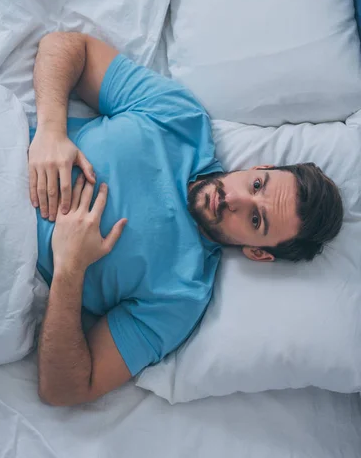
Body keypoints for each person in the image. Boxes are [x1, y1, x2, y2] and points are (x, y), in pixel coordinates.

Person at [29, 32, 343, 407]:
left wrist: (69, 270)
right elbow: (66, 46)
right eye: (258, 184)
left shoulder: (182, 296)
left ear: (258, 253)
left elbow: (65, 389)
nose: (236, 198)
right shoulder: (180, 118)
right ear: (260, 167)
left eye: (256, 220)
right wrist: (51, 129)